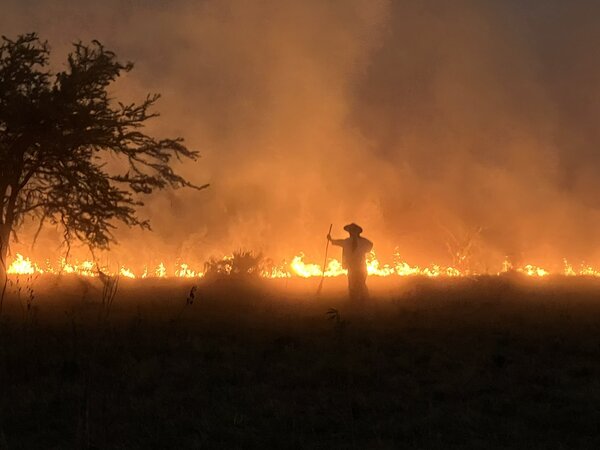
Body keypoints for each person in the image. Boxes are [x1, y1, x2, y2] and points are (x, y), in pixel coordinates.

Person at [328, 223, 373, 301]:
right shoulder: (347, 241)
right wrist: (331, 239)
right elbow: (337, 242)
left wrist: (360, 240)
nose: (351, 233)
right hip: (351, 267)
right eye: (350, 231)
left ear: (357, 232)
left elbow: (370, 245)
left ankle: (364, 300)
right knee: (352, 285)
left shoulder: (362, 241)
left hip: (361, 267)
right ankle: (354, 301)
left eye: (353, 231)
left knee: (361, 284)